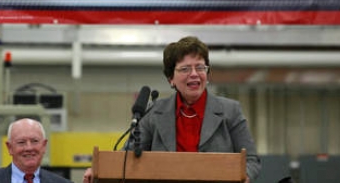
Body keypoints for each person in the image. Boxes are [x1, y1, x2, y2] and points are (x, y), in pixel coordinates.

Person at [83, 36, 261, 183]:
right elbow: (126, 157)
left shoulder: (230, 110)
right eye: (185, 69)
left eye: (200, 67)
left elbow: (251, 161)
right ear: (171, 79)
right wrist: (99, 169)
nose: (194, 74)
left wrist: (244, 176)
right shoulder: (154, 112)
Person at [0, 118, 71, 183]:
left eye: (34, 141)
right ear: (10, 148)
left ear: (44, 146)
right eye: (21, 142)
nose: (29, 148)